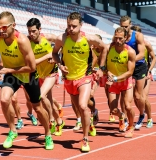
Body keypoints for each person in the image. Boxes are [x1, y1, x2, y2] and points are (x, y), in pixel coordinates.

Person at [0, 11, 54, 150]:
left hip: (29, 75)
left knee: (38, 108)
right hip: (12, 74)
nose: (1, 31)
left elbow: (31, 67)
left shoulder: (22, 41)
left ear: (13, 25)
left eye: (4, 27)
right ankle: (12, 131)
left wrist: (8, 70)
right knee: (4, 99)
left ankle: (48, 135)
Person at [52, 12, 108, 152]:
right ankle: (89, 122)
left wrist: (101, 68)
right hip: (69, 78)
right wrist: (60, 65)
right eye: (69, 26)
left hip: (85, 77)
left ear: (81, 25)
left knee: (83, 106)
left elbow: (105, 48)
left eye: (74, 26)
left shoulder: (88, 39)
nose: (71, 29)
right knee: (78, 108)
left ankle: (85, 139)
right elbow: (54, 53)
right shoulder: (62, 39)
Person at [26, 18, 65, 136]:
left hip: (51, 73)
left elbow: (63, 44)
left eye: (34, 31)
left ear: (39, 29)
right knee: (48, 100)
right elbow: (33, 63)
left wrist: (57, 57)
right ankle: (59, 121)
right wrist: (48, 55)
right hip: (39, 74)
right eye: (29, 31)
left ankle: (51, 120)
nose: (31, 34)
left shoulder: (48, 37)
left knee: (41, 97)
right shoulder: (27, 42)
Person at [106, 27, 136, 137]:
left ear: (126, 38)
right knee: (113, 110)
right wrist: (107, 72)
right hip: (113, 82)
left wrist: (115, 78)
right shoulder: (109, 48)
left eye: (120, 38)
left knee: (128, 106)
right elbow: (103, 63)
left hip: (125, 82)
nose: (117, 41)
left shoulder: (130, 52)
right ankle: (122, 116)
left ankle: (131, 126)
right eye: (116, 38)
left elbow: (130, 72)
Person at [120, 16, 147, 130]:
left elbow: (141, 53)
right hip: (125, 67)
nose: (124, 28)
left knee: (137, 96)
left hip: (139, 66)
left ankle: (141, 114)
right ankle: (125, 118)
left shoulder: (137, 36)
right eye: (122, 26)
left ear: (130, 25)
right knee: (123, 96)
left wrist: (130, 60)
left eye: (126, 26)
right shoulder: (119, 35)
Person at [128, 25, 156, 128]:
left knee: (143, 97)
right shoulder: (130, 44)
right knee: (136, 98)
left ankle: (149, 118)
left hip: (145, 72)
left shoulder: (146, 44)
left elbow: (154, 58)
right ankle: (142, 114)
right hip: (133, 70)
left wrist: (149, 70)